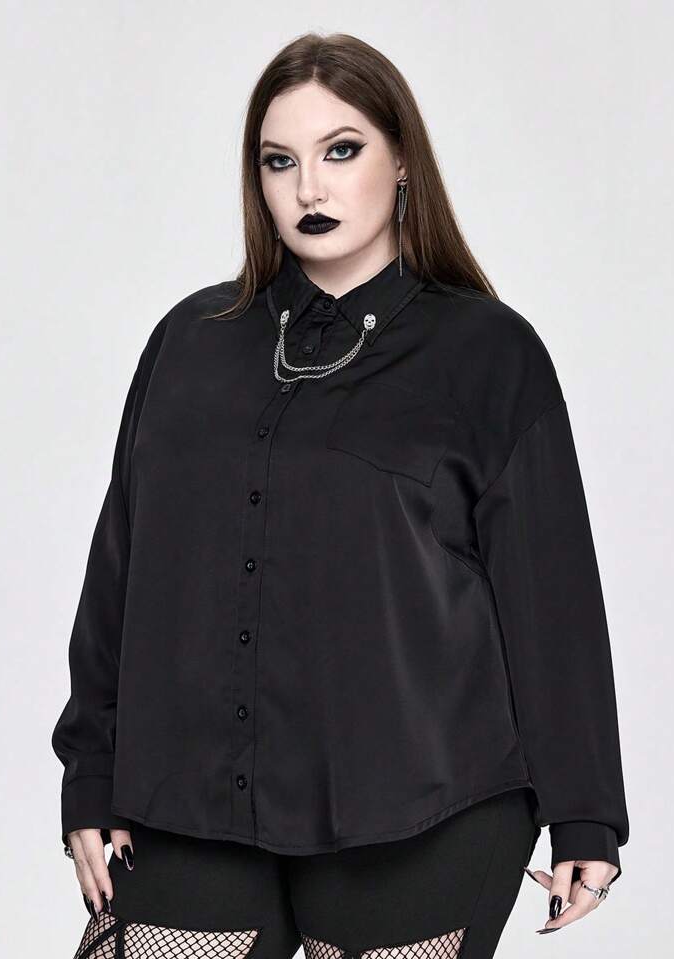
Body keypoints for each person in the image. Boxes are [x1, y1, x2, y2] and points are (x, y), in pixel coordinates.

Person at [52, 32, 629, 959]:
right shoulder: (189, 343)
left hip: (419, 807)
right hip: (190, 798)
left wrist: (585, 811)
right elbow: (119, 572)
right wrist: (90, 772)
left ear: (401, 161)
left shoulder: (489, 355)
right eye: (279, 161)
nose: (308, 189)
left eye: (341, 150)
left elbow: (549, 599)